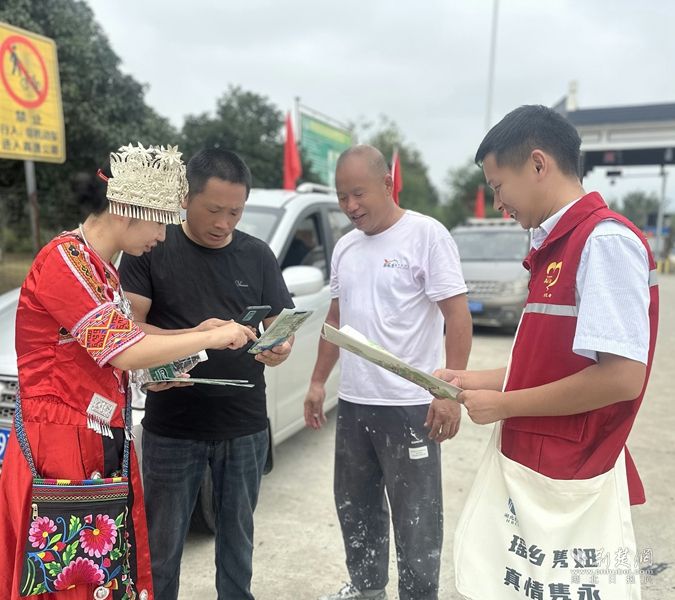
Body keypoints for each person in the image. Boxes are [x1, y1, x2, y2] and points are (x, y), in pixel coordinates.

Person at [0, 143, 255, 600]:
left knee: (99, 574)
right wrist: (212, 337)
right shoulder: (63, 262)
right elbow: (121, 349)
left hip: (96, 436)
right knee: (68, 577)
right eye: (159, 220)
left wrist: (187, 340)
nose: (162, 235)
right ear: (127, 210)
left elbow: (117, 352)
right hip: (60, 444)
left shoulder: (101, 270)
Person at [435, 106, 658, 595]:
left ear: (538, 164)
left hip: (571, 471)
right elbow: (544, 364)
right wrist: (471, 380)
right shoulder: (556, 245)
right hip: (541, 465)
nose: (498, 203)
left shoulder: (604, 242)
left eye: (498, 186)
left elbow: (622, 377)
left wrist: (505, 405)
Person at [118, 148, 295, 600]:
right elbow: (130, 330)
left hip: (244, 423)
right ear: (185, 198)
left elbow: (280, 323)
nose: (224, 223)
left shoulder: (256, 254)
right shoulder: (151, 246)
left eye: (235, 212)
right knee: (160, 549)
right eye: (214, 210)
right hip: (173, 425)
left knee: (237, 544)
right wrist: (198, 336)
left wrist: (281, 345)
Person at [305, 145, 472, 600]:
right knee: (356, 507)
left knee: (417, 517)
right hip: (355, 402)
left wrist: (448, 392)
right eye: (342, 196)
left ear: (387, 183)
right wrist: (318, 382)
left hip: (411, 407)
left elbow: (457, 317)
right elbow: (336, 320)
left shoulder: (426, 235)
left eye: (358, 193)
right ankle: (366, 589)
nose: (350, 205)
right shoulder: (345, 247)